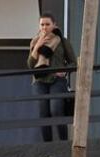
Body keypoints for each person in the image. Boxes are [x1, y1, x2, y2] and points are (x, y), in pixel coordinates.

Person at [29, 13, 77, 142]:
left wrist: (64, 71)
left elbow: (73, 62)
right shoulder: (34, 41)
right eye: (42, 24)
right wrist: (37, 46)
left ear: (54, 25)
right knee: (43, 114)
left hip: (57, 80)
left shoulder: (61, 41)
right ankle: (47, 145)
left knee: (56, 110)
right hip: (40, 81)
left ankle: (63, 141)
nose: (44, 27)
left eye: (47, 24)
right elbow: (30, 65)